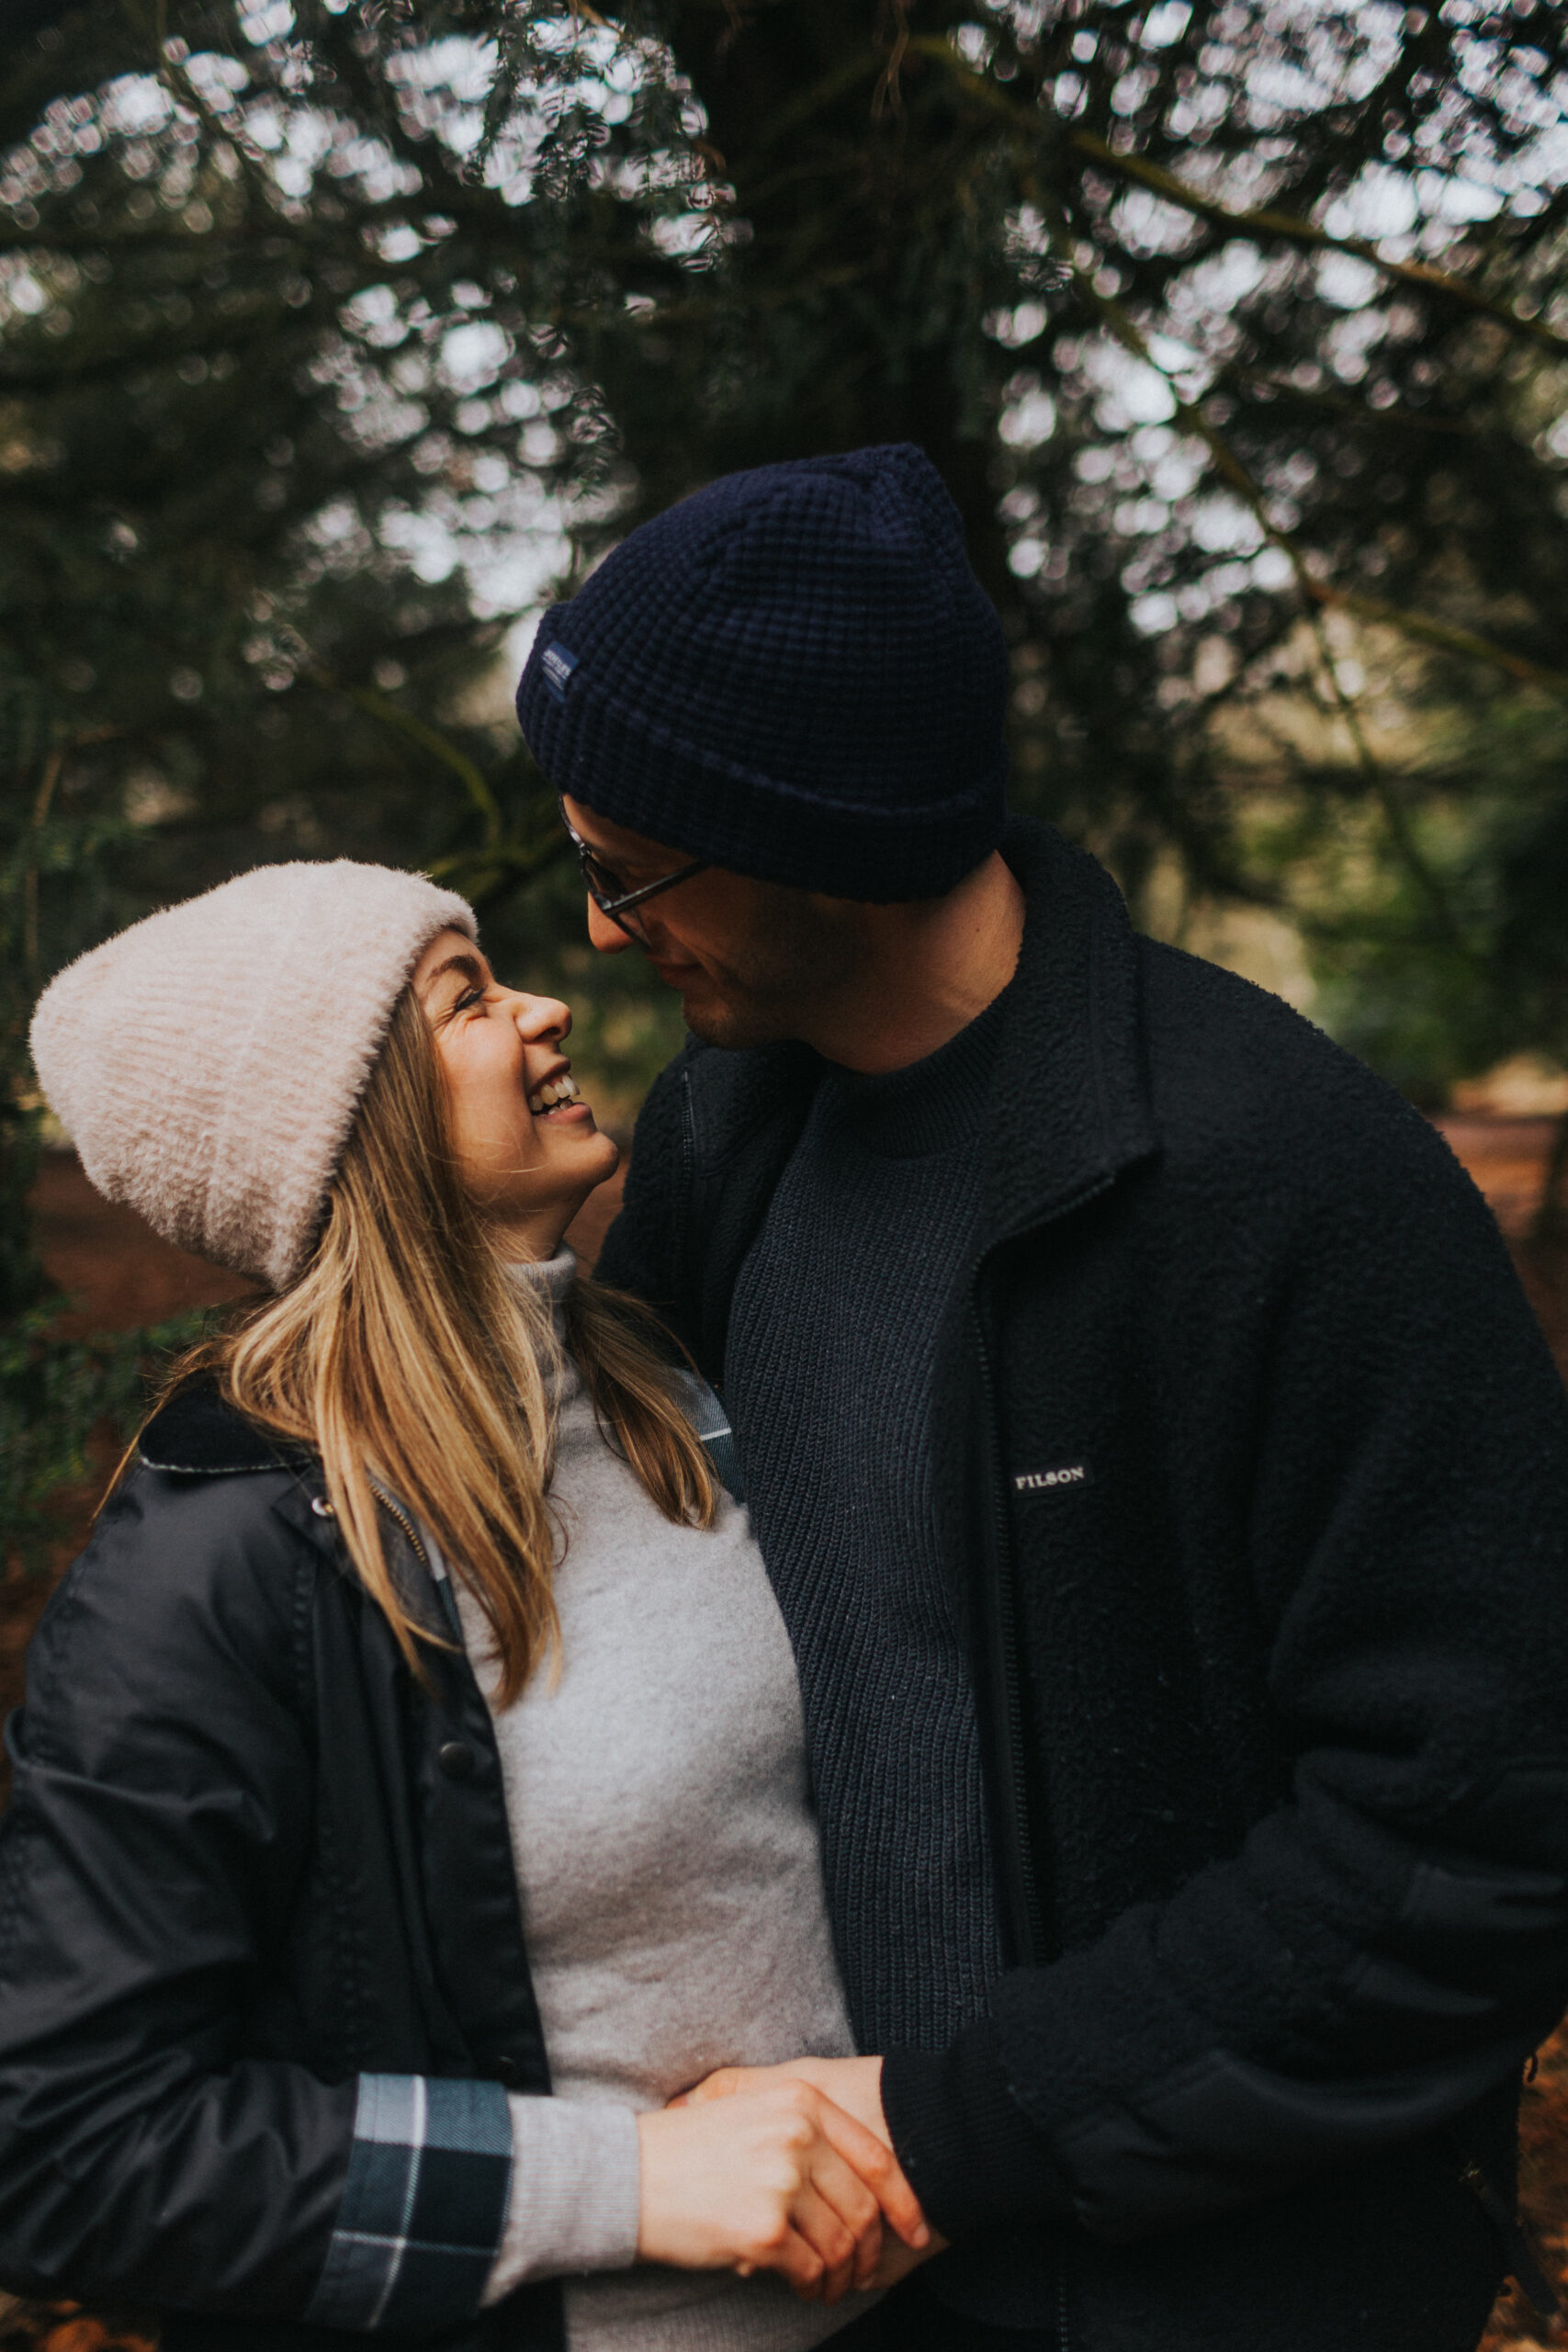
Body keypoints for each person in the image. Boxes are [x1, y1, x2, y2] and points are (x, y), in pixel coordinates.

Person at [513, 442, 1568, 2352]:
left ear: (808, 829)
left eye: (629, 867)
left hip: (1193, 2295)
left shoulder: (1282, 1188)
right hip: (791, 2283)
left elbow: (1469, 1840)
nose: (598, 930)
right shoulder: (717, 1144)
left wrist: (955, 2122)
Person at [3, 858, 934, 2351]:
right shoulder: (227, 1557)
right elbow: (71, 2149)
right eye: (467, 1001)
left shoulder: (668, 1399)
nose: (550, 1004)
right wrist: (627, 2182)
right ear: (347, 1123)